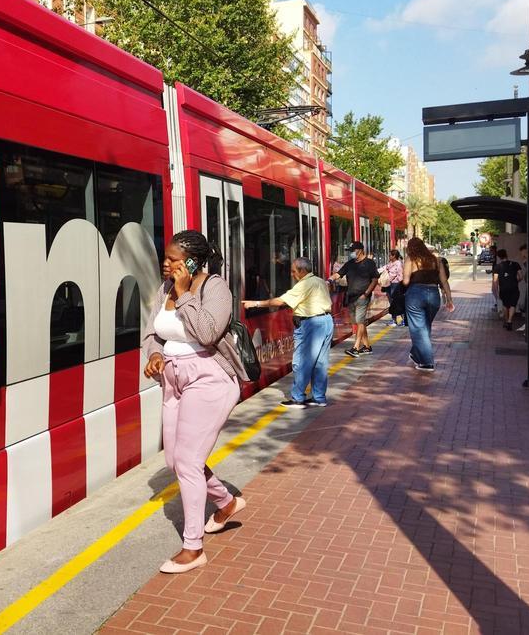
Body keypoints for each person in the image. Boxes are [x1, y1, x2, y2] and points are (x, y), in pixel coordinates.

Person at [141, 230, 252, 574]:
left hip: (209, 378)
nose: (166, 264)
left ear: (191, 261)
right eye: (166, 257)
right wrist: (155, 354)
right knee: (176, 460)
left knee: (188, 461)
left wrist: (184, 292)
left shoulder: (214, 287)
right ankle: (226, 502)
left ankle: (193, 547)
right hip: (172, 380)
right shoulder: (162, 290)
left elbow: (206, 332)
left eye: (173, 259)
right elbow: (152, 332)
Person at [244, 257, 333, 409]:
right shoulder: (319, 281)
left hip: (311, 324)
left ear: (302, 271)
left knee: (301, 362)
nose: (291, 275)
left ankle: (298, 398)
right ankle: (319, 397)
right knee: (320, 363)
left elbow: (280, 301)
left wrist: (255, 303)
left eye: (293, 271)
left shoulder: (304, 284)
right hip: (326, 322)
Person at [401, 237, 455, 371]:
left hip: (415, 294)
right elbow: (444, 280)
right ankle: (416, 354)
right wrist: (449, 299)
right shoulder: (436, 260)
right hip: (433, 294)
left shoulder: (410, 259)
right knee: (424, 328)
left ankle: (427, 362)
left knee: (418, 329)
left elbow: (406, 281)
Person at [330, 241, 379, 357]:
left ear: (360, 250)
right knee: (358, 322)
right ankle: (367, 347)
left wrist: (366, 294)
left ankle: (356, 347)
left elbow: (375, 279)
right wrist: (329, 279)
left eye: (353, 250)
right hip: (351, 297)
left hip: (363, 297)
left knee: (360, 321)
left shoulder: (369, 263)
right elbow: (339, 274)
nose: (351, 253)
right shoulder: (350, 263)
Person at [492, 249, 522, 330]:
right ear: (506, 254)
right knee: (513, 305)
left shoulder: (497, 267)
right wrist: (516, 280)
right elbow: (521, 276)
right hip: (514, 287)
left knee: (505, 305)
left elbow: (495, 280)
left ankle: (506, 321)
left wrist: (496, 290)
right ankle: (510, 320)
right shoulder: (515, 264)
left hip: (503, 288)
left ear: (499, 257)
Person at [379, 249, 405, 326]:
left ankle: (400, 320)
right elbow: (384, 268)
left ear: (394, 256)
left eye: (390, 255)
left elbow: (396, 276)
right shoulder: (391, 263)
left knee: (396, 302)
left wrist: (385, 279)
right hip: (390, 285)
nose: (389, 256)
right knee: (392, 303)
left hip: (396, 285)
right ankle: (395, 320)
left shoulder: (398, 264)